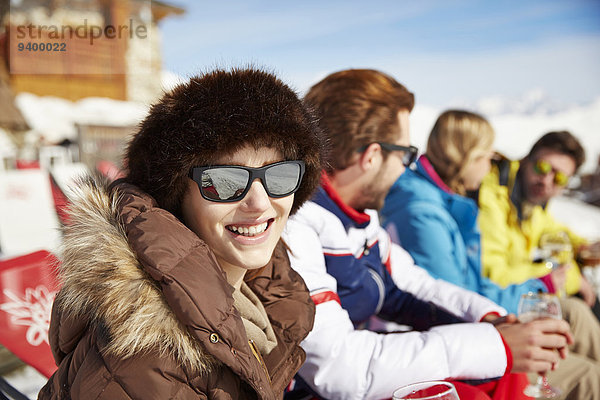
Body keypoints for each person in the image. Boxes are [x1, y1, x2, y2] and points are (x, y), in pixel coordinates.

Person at [282, 69, 572, 400]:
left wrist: (492, 318)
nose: (408, 168)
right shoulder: (296, 225)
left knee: (507, 378)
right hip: (317, 390)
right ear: (373, 156)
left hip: (362, 375)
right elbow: (339, 368)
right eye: (406, 154)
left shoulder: (357, 219)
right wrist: (497, 344)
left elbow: (415, 286)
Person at [38, 67, 326, 399]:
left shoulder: (259, 290)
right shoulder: (147, 356)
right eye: (225, 181)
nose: (260, 203)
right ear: (177, 197)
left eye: (279, 175)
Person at [381, 110, 600, 398]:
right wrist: (534, 292)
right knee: (585, 370)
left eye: (559, 177)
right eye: (487, 156)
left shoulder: (445, 202)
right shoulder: (425, 211)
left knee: (578, 323)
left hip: (474, 325)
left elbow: (463, 286)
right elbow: (450, 296)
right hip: (454, 341)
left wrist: (577, 248)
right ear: (466, 156)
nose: (489, 167)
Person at [478, 131, 600, 314]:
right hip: (494, 303)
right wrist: (567, 276)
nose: (546, 180)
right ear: (526, 160)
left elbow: (551, 229)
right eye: (542, 167)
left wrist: (582, 245)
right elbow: (493, 275)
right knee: (577, 313)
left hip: (516, 297)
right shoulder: (494, 195)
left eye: (559, 178)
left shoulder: (530, 203)